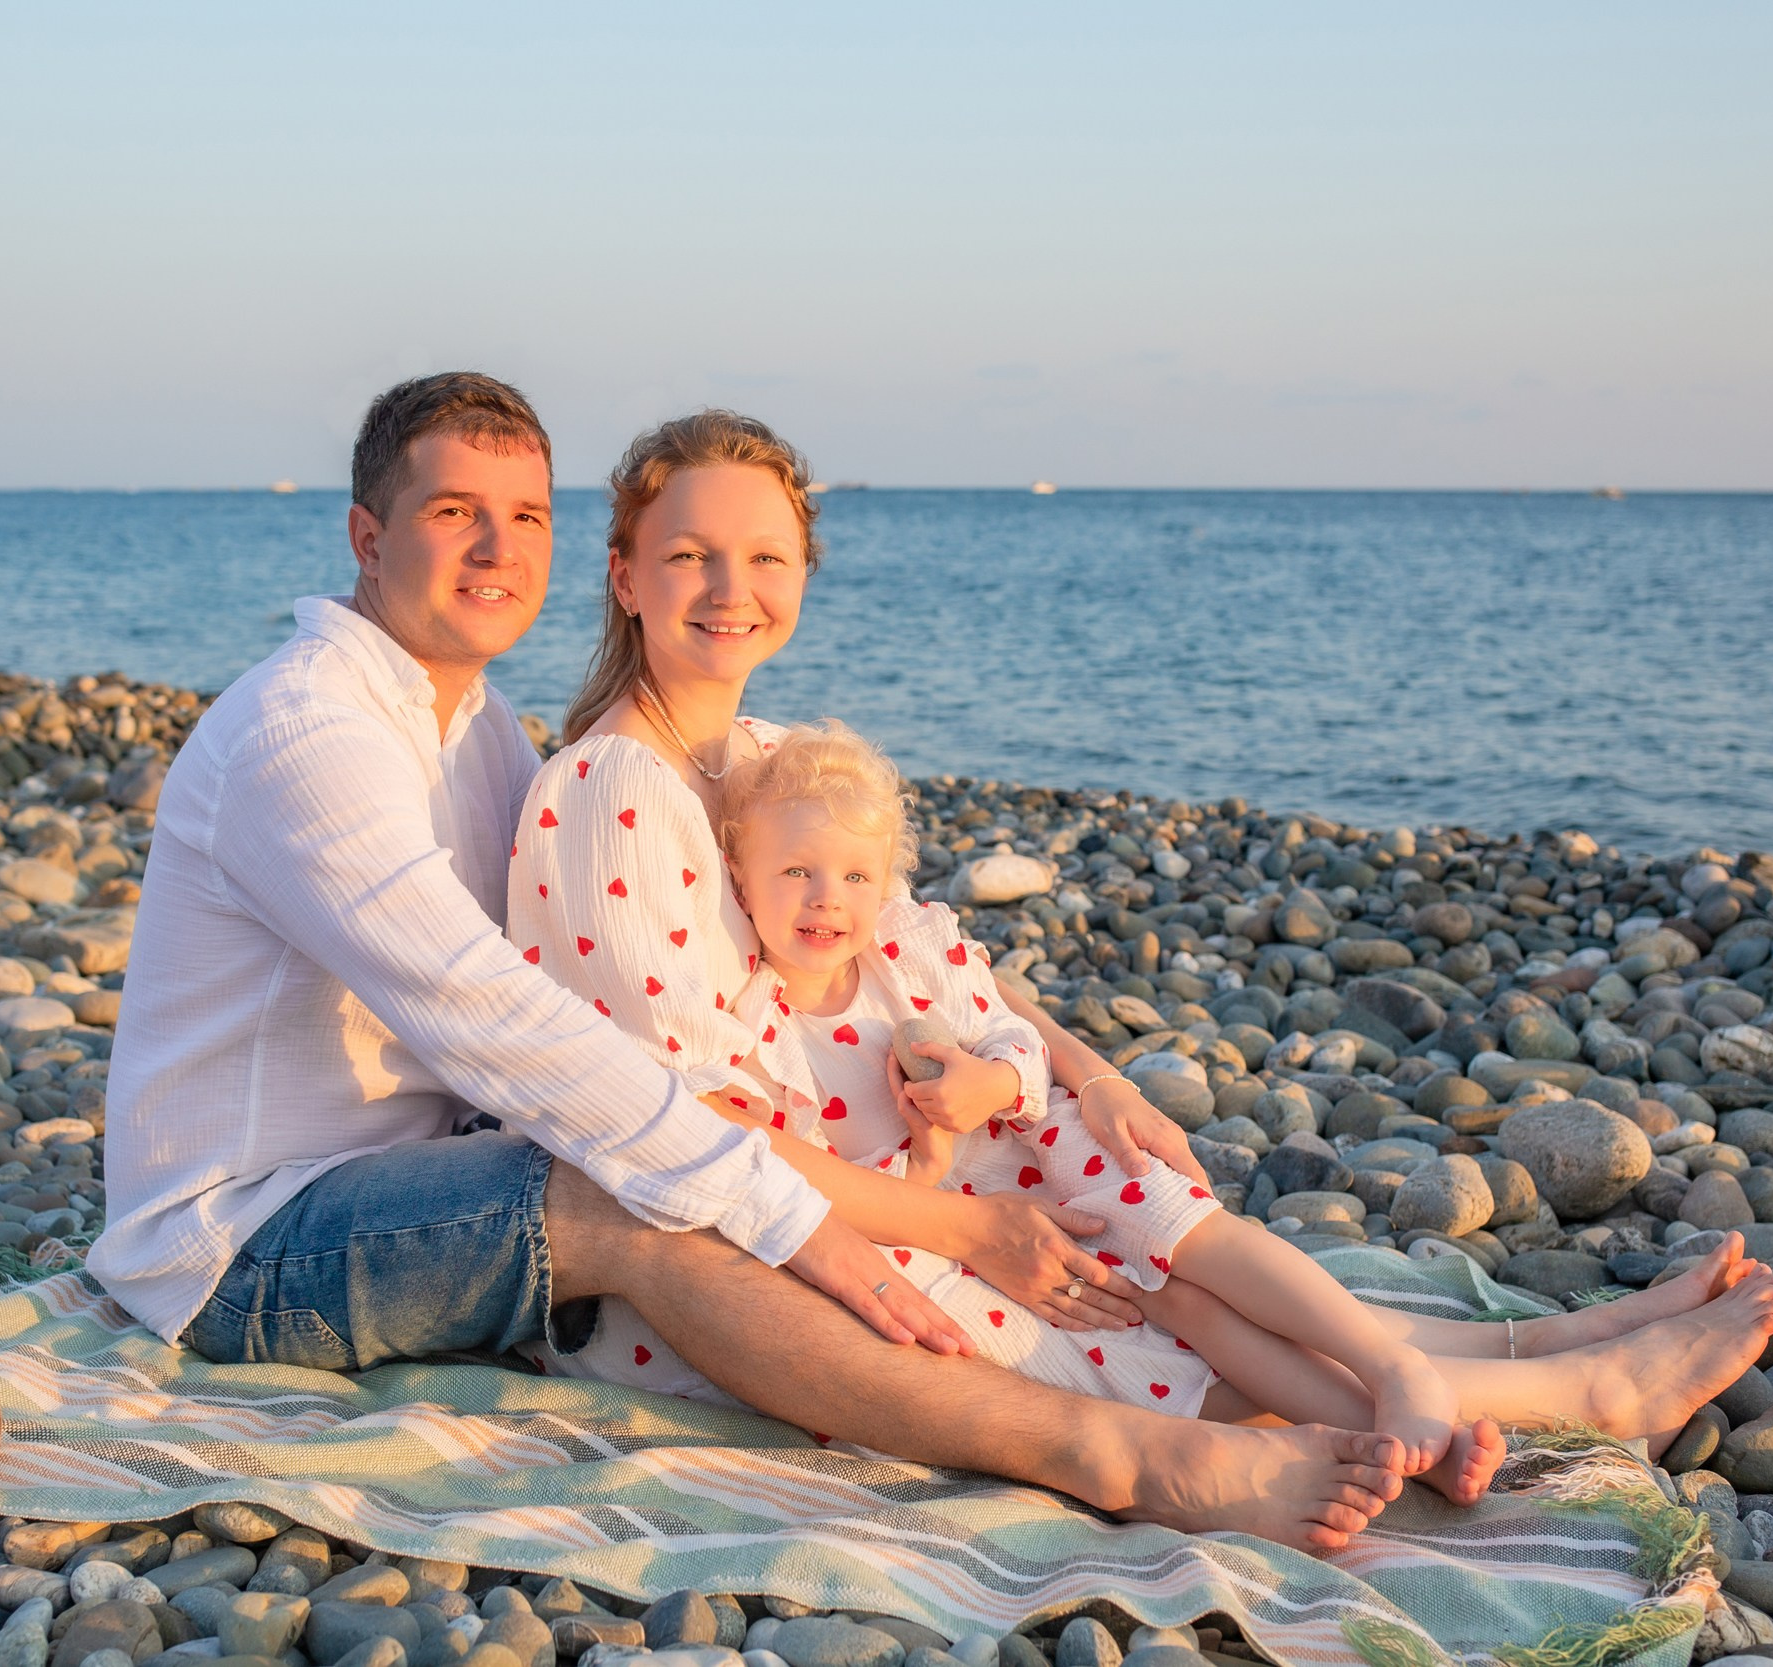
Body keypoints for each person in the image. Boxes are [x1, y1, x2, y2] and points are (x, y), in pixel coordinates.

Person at [94, 370, 1413, 1554]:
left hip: (419, 1182)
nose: (497, 547)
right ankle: (1123, 1456)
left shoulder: (484, 738)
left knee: (680, 1167)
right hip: (242, 1237)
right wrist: (818, 1222)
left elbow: (883, 953)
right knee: (649, 1197)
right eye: (453, 514)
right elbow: (496, 1022)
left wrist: (1059, 1065)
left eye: (525, 516)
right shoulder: (306, 736)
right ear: (368, 537)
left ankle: (1427, 1380)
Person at [504, 407, 1773, 1502]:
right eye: (691, 556)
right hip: (733, 1264)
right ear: (624, 575)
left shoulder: (759, 756)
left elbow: (928, 956)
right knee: (1104, 1267)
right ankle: (1534, 1394)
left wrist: (1091, 1073)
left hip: (863, 1172)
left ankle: (1531, 1354)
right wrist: (968, 1219)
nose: (733, 592)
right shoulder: (618, 789)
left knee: (1111, 1191)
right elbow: (687, 1131)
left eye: (764, 556)